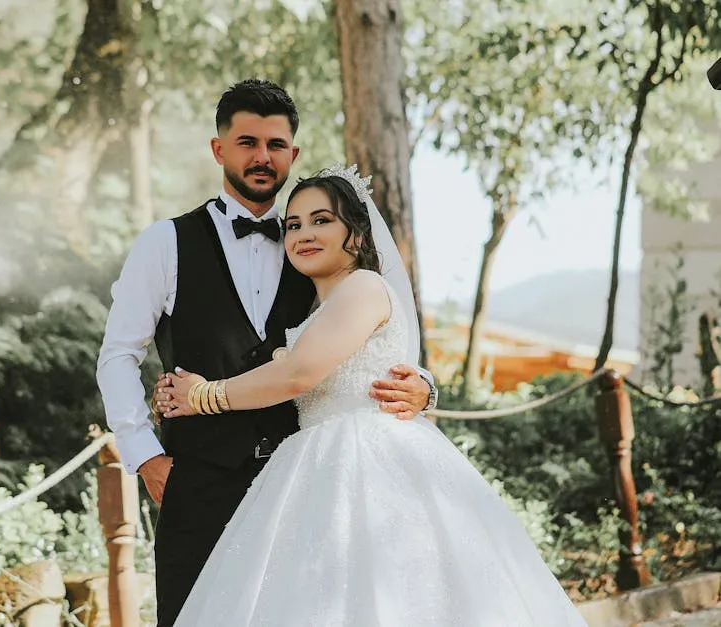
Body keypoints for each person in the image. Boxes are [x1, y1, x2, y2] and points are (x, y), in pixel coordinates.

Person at [164, 169, 588, 626]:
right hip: (312, 458)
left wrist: (204, 395)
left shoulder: (364, 286)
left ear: (357, 232)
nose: (304, 234)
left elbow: (298, 373)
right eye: (294, 225)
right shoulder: (312, 307)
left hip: (368, 458)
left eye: (321, 220)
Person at [96, 80, 438, 627]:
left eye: (275, 145)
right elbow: (118, 354)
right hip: (199, 480)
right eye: (247, 142)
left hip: (306, 486)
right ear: (219, 149)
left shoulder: (317, 243)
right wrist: (145, 458)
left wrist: (421, 384)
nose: (262, 157)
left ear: (293, 154)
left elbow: (371, 330)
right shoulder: (165, 241)